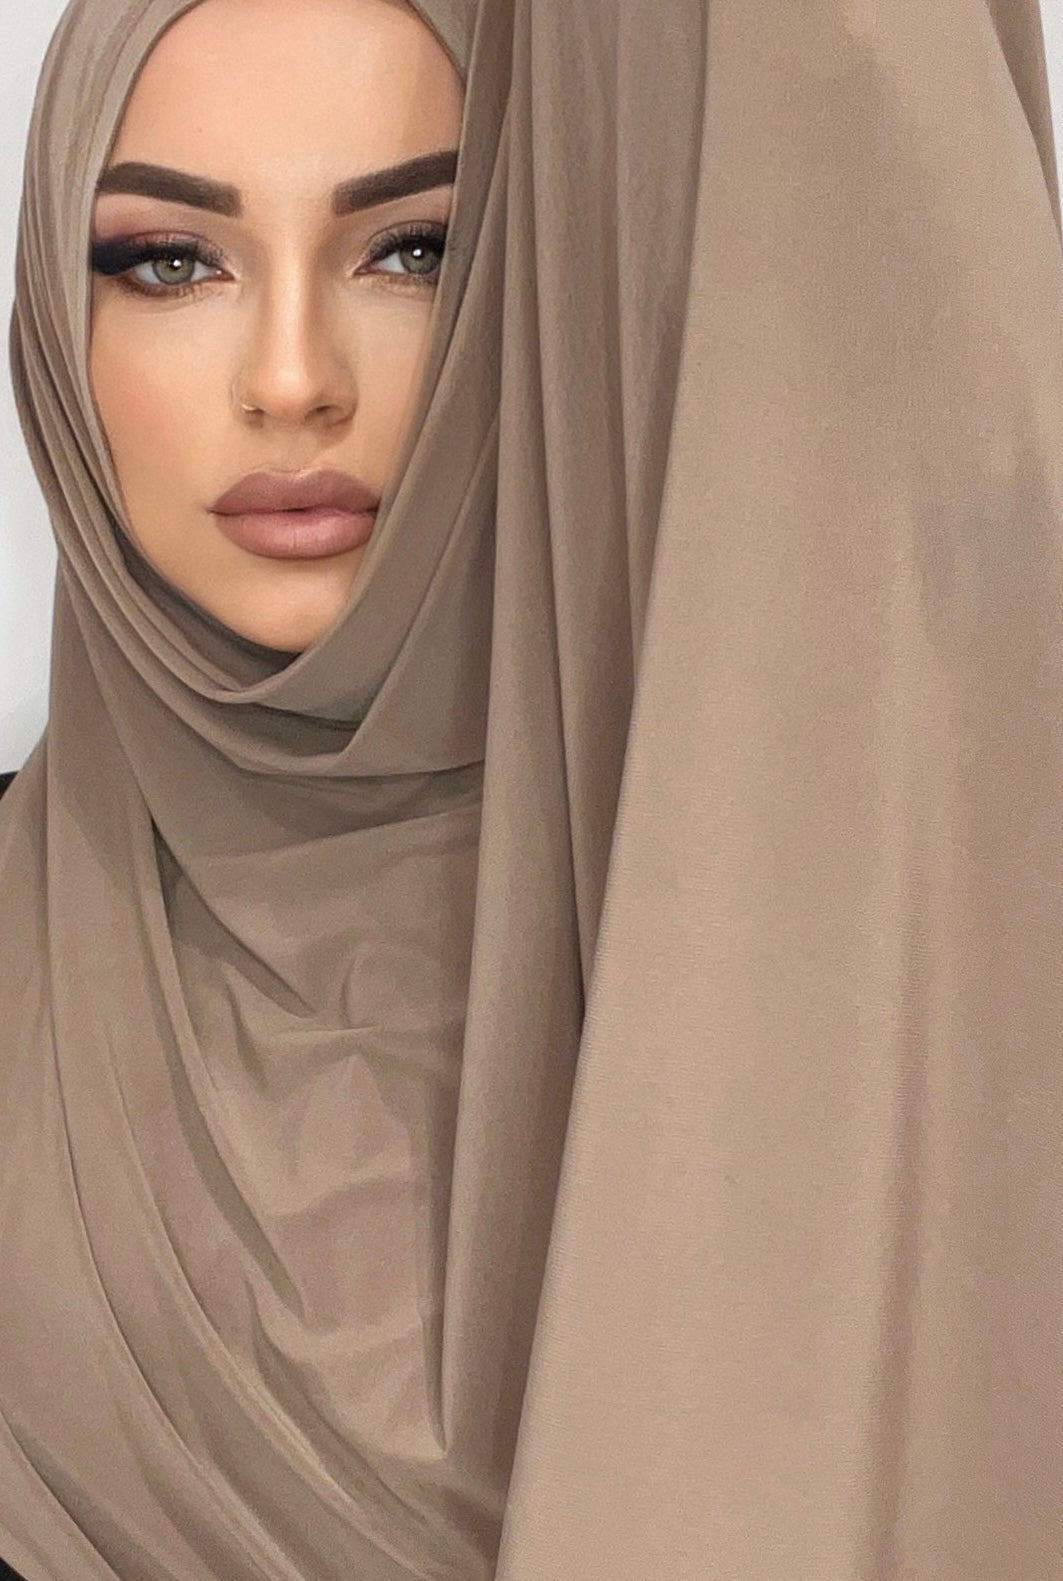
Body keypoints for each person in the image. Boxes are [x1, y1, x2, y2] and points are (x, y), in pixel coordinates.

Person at [5, 0, 1063, 1577]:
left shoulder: (854, 977)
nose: (293, 378)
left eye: (414, 251)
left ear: (542, 295)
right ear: (48, 316)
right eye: (170, 261)